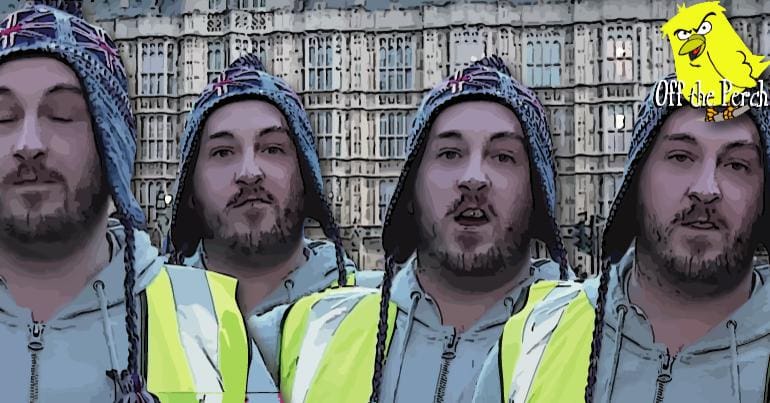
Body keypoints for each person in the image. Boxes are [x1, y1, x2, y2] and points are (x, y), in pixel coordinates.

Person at [250, 55, 572, 402]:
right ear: (409, 189)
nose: (473, 178)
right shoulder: (312, 332)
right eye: (449, 153)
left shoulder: (600, 339)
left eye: (503, 156)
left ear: (537, 192)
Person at [0, 4, 248, 402]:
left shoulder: (209, 318)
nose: (29, 144)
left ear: (113, 146)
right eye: (1, 117)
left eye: (62, 116)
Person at [473, 73, 770, 403]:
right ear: (635, 180)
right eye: (680, 157)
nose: (705, 189)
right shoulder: (532, 341)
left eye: (737, 165)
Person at [167, 52, 383, 401]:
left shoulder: (385, 316)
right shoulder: (132, 323)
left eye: (272, 148)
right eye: (223, 152)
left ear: (307, 178)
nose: (249, 172)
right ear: (188, 190)